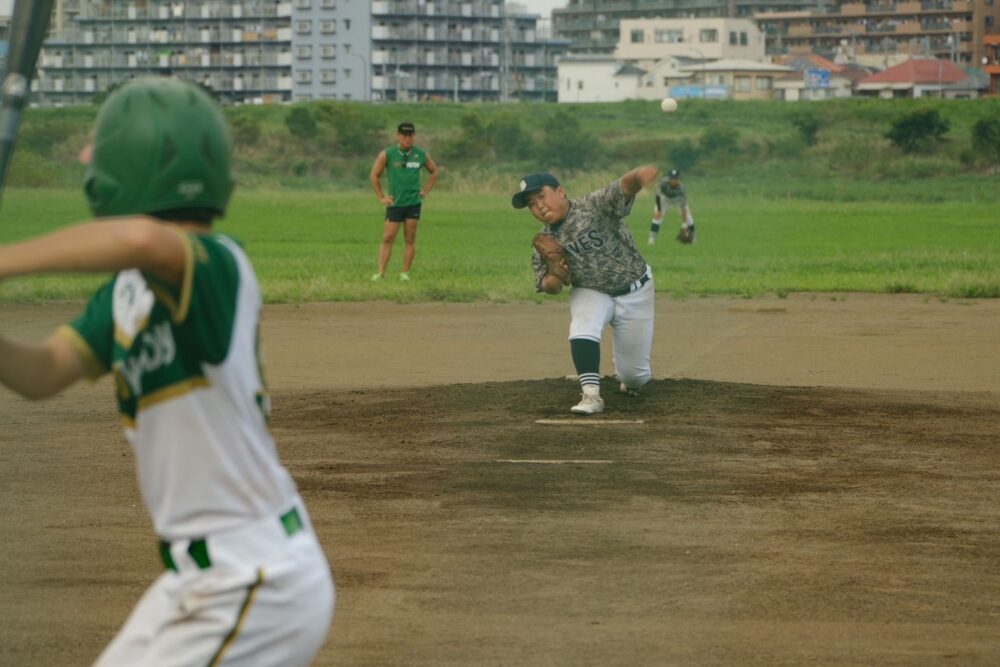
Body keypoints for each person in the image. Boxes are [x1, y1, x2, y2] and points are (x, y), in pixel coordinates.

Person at [0, 78, 333, 666]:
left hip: (255, 577)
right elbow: (45, 372)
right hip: (197, 581)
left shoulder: (215, 268)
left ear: (133, 165)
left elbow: (140, 238)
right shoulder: (127, 292)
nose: (86, 159)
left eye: (99, 148)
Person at [512, 167, 658, 415]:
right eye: (531, 203)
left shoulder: (593, 206)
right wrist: (555, 273)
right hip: (592, 291)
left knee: (635, 378)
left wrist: (639, 176)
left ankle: (629, 378)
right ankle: (591, 395)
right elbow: (550, 287)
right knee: (582, 325)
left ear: (560, 191)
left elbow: (622, 187)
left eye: (542, 196)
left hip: (636, 290)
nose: (539, 206)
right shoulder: (544, 241)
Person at [369, 121, 440, 282]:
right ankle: (380, 273)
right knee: (388, 237)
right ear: (398, 136)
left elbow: (435, 171)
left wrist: (426, 190)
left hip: (413, 203)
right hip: (395, 203)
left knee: (410, 238)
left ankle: (405, 273)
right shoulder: (387, 154)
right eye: (404, 135)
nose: (407, 138)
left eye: (410, 135)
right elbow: (374, 175)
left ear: (414, 136)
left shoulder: (420, 154)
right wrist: (381, 197)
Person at [649, 168, 695, 245]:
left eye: (675, 178)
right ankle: (651, 240)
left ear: (678, 179)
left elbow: (683, 207)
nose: (673, 180)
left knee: (689, 218)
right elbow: (658, 196)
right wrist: (659, 210)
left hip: (677, 199)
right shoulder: (663, 183)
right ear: (669, 178)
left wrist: (684, 225)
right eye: (672, 178)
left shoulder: (682, 189)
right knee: (657, 217)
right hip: (665, 198)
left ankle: (693, 239)